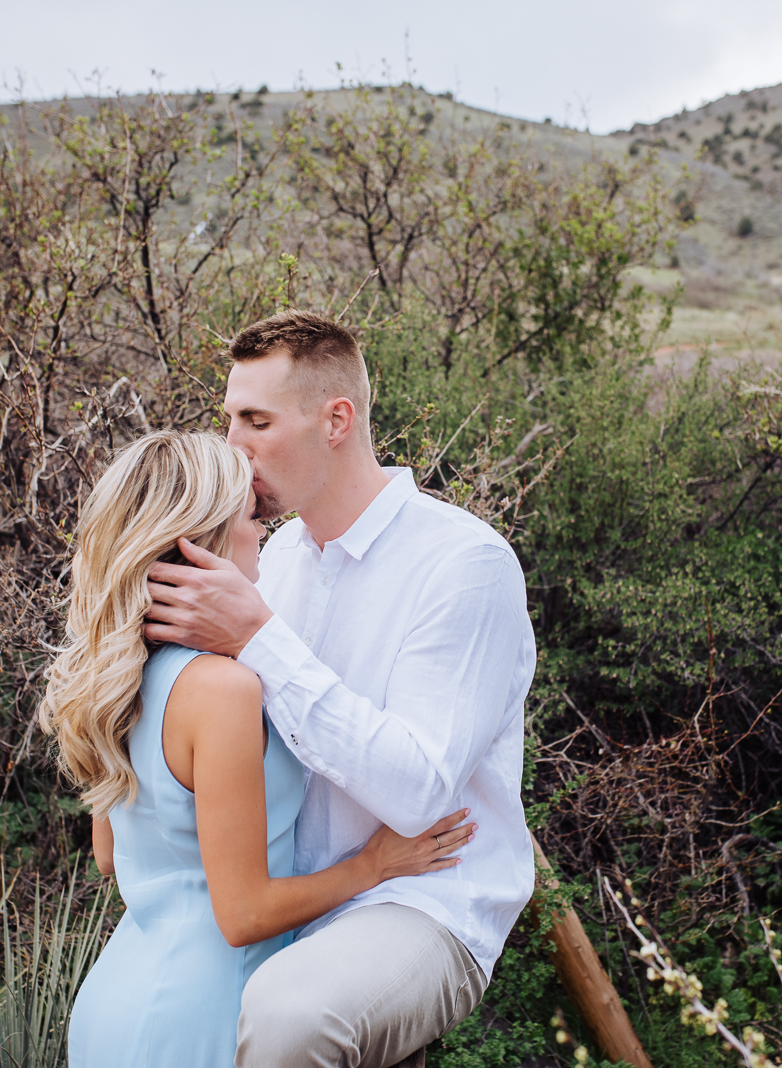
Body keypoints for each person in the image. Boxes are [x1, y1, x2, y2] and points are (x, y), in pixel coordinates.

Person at [143, 311, 537, 1067]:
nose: (233, 446)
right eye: (229, 420)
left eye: (257, 421)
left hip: (422, 900)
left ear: (336, 420)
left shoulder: (464, 565)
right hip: (287, 898)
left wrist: (258, 637)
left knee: (292, 1015)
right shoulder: (271, 560)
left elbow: (418, 792)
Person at [39, 429, 474, 1068]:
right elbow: (243, 915)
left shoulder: (117, 677)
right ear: (203, 542)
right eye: (251, 518)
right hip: (203, 1012)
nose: (263, 535)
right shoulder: (222, 689)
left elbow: (110, 857)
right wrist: (372, 865)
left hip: (117, 1001)